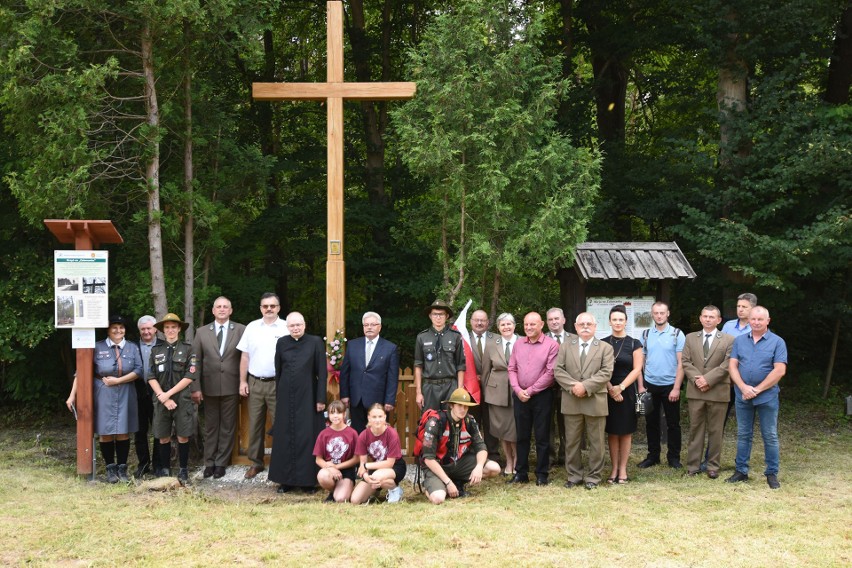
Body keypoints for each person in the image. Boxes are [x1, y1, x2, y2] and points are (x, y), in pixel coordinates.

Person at [66, 315, 142, 483]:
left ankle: (122, 468)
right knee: (105, 432)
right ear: (108, 329)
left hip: (126, 391)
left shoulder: (132, 347)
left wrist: (119, 380)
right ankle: (110, 468)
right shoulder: (97, 347)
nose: (118, 330)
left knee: (123, 431)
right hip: (103, 392)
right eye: (114, 327)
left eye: (121, 327)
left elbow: (138, 370)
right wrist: (72, 395)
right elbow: (82, 372)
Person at [726, 306, 787, 489]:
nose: (756, 322)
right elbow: (732, 366)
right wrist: (743, 387)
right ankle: (741, 471)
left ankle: (771, 473)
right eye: (753, 319)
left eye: (760, 319)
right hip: (742, 395)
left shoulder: (777, 342)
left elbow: (780, 370)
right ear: (749, 320)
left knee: (770, 435)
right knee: (744, 434)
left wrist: (757, 389)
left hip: (767, 396)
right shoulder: (740, 341)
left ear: (768, 321)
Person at [268, 312, 327, 494]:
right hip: (286, 397)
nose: (295, 328)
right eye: (292, 325)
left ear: (304, 325)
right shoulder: (282, 343)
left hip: (308, 397)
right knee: (285, 437)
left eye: (298, 325)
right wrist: (279, 396)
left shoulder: (315, 342)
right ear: (287, 327)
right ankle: (285, 481)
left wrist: (320, 399)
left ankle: (308, 481)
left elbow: (322, 373)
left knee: (307, 436)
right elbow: (279, 371)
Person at [554, 313, 614, 490]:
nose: (585, 326)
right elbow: (558, 370)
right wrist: (574, 386)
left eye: (589, 324)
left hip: (595, 400)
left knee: (597, 442)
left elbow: (606, 373)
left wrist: (585, 386)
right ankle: (574, 475)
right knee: (571, 441)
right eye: (582, 324)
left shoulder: (605, 347)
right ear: (575, 326)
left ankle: (593, 477)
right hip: (572, 400)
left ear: (595, 326)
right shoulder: (565, 347)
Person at [190, 297, 246, 479]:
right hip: (209, 387)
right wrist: (195, 387)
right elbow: (195, 361)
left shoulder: (240, 330)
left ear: (231, 310)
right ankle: (209, 463)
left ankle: (221, 463)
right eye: (218, 307)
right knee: (211, 427)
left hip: (232, 386)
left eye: (225, 307)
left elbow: (246, 357)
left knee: (228, 427)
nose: (222, 309)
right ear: (213, 311)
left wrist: (244, 382)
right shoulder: (202, 332)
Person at [236, 292, 288, 480]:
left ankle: (280, 462)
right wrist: (242, 381)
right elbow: (245, 356)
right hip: (255, 382)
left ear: (278, 308)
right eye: (265, 306)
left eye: (272, 306)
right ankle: (256, 463)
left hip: (278, 383)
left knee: (280, 424)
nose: (269, 309)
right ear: (260, 308)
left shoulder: (286, 327)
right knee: (255, 424)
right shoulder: (252, 327)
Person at [421, 388, 501, 504]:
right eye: (459, 405)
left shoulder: (470, 421)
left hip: (459, 463)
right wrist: (448, 482)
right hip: (438, 465)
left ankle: (457, 482)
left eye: (466, 406)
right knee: (438, 498)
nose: (463, 409)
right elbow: (428, 459)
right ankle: (430, 486)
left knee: (494, 468)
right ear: (451, 405)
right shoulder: (435, 423)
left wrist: (479, 467)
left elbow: (481, 447)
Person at [147, 313, 200, 483]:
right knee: (163, 436)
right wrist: (163, 397)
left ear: (179, 329)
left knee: (183, 436)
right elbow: (151, 376)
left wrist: (168, 395)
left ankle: (183, 470)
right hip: (161, 400)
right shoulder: (156, 350)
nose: (170, 330)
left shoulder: (188, 349)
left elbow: (190, 376)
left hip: (182, 399)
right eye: (167, 327)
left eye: (173, 327)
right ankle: (165, 469)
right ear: (162, 330)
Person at [507, 311, 559, 486]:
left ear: (541, 325)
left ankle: (541, 474)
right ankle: (521, 473)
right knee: (521, 435)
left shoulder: (552, 345)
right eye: (526, 324)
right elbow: (512, 368)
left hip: (542, 396)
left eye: (533, 324)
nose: (529, 328)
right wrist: (517, 389)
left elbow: (550, 373)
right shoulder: (518, 344)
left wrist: (530, 390)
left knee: (542, 436)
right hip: (520, 395)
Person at [682, 305, 734, 479]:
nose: (708, 319)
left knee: (716, 430)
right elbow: (685, 361)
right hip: (696, 391)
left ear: (719, 320)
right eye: (705, 316)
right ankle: (693, 466)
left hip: (718, 391)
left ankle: (712, 466)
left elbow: (727, 364)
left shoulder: (729, 339)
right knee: (695, 430)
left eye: (712, 317)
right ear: (700, 318)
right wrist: (698, 379)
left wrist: (708, 380)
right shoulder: (690, 338)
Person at [637, 301, 685, 469]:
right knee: (651, 423)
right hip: (650, 384)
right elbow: (640, 362)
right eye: (656, 313)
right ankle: (653, 456)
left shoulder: (677, 334)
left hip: (670, 385)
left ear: (668, 314)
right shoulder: (645, 334)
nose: (659, 316)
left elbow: (681, 363)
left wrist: (676, 387)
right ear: (652, 314)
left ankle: (673, 458)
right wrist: (641, 385)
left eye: (662, 313)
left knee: (673, 424)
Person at [602, 305, 644, 484]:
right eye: (614, 319)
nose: (618, 322)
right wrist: (611, 388)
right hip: (606, 390)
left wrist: (620, 387)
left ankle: (623, 470)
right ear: (610, 321)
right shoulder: (602, 343)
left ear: (626, 321)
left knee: (626, 432)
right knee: (612, 432)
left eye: (621, 319)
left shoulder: (635, 343)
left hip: (626, 391)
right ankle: (613, 469)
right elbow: (598, 369)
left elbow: (637, 369)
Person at [339, 311, 399, 433]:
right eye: (366, 325)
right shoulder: (352, 345)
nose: (369, 327)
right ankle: (359, 453)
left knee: (377, 434)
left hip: (378, 400)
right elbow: (345, 372)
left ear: (380, 327)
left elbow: (392, 377)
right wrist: (344, 394)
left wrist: (389, 400)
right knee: (358, 434)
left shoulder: (390, 348)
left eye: (373, 324)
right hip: (357, 399)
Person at [481, 312, 519, 476]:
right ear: (498, 327)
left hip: (518, 390)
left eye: (509, 324)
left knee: (516, 429)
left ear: (514, 326)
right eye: (503, 324)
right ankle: (508, 461)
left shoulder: (523, 341)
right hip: (497, 392)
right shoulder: (491, 344)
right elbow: (485, 371)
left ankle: (518, 460)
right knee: (502, 429)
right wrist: (485, 392)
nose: (506, 327)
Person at [350, 403, 408, 504]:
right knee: (355, 500)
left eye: (380, 416)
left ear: (385, 417)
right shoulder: (363, 435)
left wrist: (366, 466)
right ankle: (375, 490)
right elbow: (361, 465)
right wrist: (366, 477)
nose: (377, 420)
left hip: (395, 467)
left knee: (376, 476)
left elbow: (389, 463)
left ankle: (395, 490)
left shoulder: (391, 433)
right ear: (369, 418)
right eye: (374, 417)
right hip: (375, 469)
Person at [414, 300, 465, 413]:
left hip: (450, 387)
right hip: (430, 388)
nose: (438, 317)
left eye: (441, 314)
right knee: (430, 424)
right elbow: (418, 365)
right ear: (430, 316)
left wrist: (459, 391)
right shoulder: (422, 337)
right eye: (435, 314)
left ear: (446, 316)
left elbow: (460, 365)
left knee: (451, 423)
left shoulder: (455, 336)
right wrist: (418, 392)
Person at [469, 309, 502, 463]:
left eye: (483, 320)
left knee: (491, 422)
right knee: (472, 422)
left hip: (492, 388)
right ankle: (472, 455)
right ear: (471, 322)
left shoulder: (497, 339)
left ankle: (493, 455)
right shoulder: (463, 338)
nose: (480, 323)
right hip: (470, 389)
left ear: (488, 322)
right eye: (476, 320)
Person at [313, 400, 360, 503]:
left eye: (338, 413)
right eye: (332, 413)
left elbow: (357, 458)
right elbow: (318, 459)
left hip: (346, 470)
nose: (335, 416)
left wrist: (336, 467)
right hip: (329, 469)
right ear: (328, 415)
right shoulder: (323, 434)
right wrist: (330, 467)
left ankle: (343, 489)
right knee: (322, 476)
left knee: (341, 499)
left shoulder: (352, 433)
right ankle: (333, 491)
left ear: (344, 414)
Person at [133, 315, 162, 478]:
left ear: (155, 329)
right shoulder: (132, 346)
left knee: (159, 430)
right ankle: (143, 464)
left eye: (149, 328)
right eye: (143, 329)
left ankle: (158, 465)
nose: (146, 332)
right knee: (139, 432)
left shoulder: (164, 346)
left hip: (158, 395)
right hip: (137, 394)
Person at [545, 307, 569, 466]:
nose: (554, 322)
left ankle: (566, 455)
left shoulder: (574, 338)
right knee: (546, 423)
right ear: (546, 322)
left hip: (567, 389)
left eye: (556, 318)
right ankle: (549, 456)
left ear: (563, 320)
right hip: (546, 388)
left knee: (567, 423)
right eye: (551, 319)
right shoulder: (541, 338)